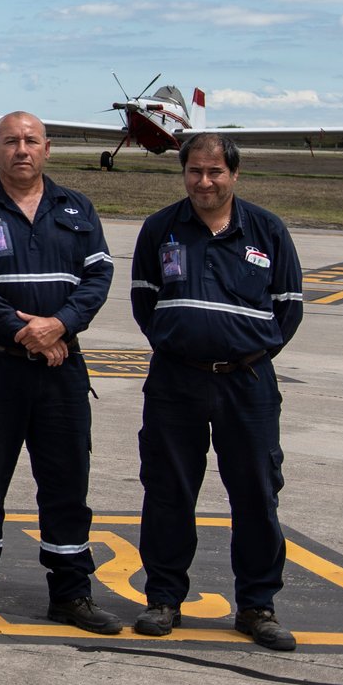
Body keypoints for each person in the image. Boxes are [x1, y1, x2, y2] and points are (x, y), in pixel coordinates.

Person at [0, 112, 121, 634]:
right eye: (11, 141)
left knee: (67, 480)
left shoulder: (77, 207)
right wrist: (29, 332)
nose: (22, 149)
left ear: (48, 148)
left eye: (31, 141)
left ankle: (70, 594)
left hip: (61, 369)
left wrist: (60, 325)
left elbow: (99, 275)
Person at [129, 134, 303, 652]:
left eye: (215, 173)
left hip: (247, 384)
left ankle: (257, 606)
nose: (205, 182)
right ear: (183, 173)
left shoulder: (267, 230)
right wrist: (183, 343)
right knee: (168, 490)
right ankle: (163, 599)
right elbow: (144, 302)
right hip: (175, 381)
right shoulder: (160, 228)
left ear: (234, 174)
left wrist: (245, 351)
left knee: (255, 494)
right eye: (195, 172)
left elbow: (288, 306)